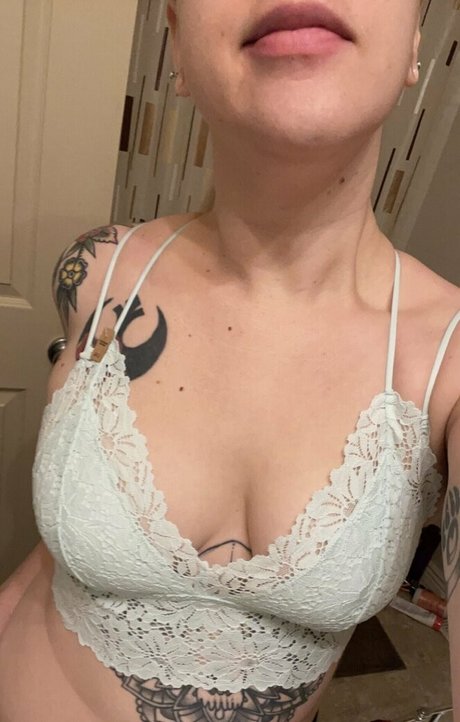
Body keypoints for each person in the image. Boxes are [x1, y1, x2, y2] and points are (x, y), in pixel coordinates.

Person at [0, 2, 459, 721]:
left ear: (413, 49)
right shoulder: (97, 274)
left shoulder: (450, 361)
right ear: (178, 50)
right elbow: (68, 544)